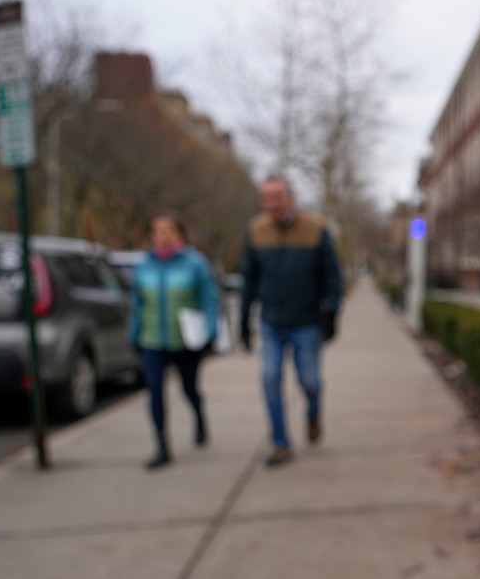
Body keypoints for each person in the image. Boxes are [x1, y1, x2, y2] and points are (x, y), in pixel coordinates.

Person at [240, 175, 342, 467]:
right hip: (271, 322)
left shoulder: (316, 229)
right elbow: (249, 279)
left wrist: (331, 312)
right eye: (266, 198)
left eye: (277, 197)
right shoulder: (256, 231)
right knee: (270, 378)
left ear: (290, 197)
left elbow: (332, 275)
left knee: (309, 381)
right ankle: (280, 442)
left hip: (306, 322)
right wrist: (243, 319)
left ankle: (313, 411)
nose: (272, 204)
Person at [128, 214, 220, 470]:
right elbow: (137, 303)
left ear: (179, 234)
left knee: (189, 389)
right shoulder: (144, 265)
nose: (163, 236)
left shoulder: (195, 263)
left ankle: (199, 416)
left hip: (186, 340)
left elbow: (209, 298)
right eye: (158, 231)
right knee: (155, 391)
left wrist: (211, 331)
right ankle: (161, 445)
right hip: (152, 340)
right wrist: (133, 334)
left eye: (168, 230)